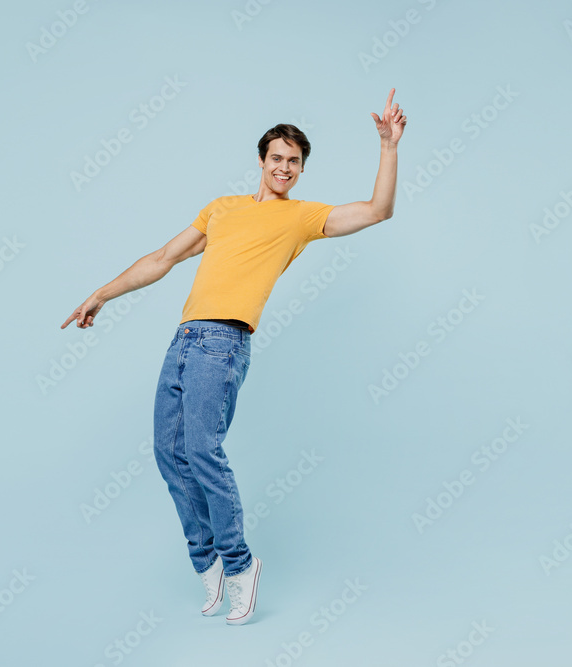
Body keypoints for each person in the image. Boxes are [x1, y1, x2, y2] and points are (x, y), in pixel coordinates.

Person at [62, 89, 407, 625]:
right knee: (167, 453)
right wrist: (101, 294)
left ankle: (241, 565)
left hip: (223, 342)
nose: (285, 168)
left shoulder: (300, 219)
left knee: (202, 452)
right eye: (277, 159)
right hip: (184, 339)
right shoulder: (222, 209)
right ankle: (208, 564)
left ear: (301, 169)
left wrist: (387, 146)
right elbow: (162, 258)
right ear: (262, 161)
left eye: (294, 162)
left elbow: (377, 210)